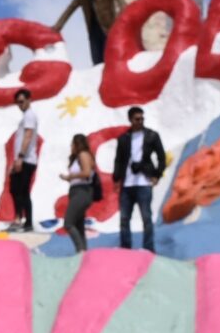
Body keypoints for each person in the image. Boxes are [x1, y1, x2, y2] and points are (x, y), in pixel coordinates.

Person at [109, 105, 167, 252]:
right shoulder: (123, 139)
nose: (140, 121)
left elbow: (161, 157)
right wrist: (116, 179)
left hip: (144, 182)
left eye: (142, 118)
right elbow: (118, 160)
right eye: (137, 119)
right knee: (124, 219)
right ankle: (125, 248)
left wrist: (157, 175)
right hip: (127, 184)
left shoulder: (151, 135)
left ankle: (148, 248)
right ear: (130, 120)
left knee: (146, 217)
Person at [52, 0, 123, 66]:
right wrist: (58, 25)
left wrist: (125, 13)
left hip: (108, 29)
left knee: (112, 56)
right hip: (93, 31)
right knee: (97, 60)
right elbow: (70, 8)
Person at [5, 88, 44, 231]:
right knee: (16, 189)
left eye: (22, 101)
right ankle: (19, 218)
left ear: (28, 100)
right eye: (17, 102)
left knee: (21, 190)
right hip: (22, 159)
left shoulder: (29, 116)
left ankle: (25, 221)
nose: (19, 105)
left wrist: (21, 157)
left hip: (27, 159)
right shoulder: (26, 116)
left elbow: (28, 136)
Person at [61, 134, 101, 253]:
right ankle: (83, 251)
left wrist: (72, 176)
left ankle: (80, 250)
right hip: (76, 191)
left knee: (68, 223)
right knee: (78, 225)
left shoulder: (83, 154)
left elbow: (87, 173)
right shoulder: (77, 157)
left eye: (72, 144)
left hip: (82, 191)